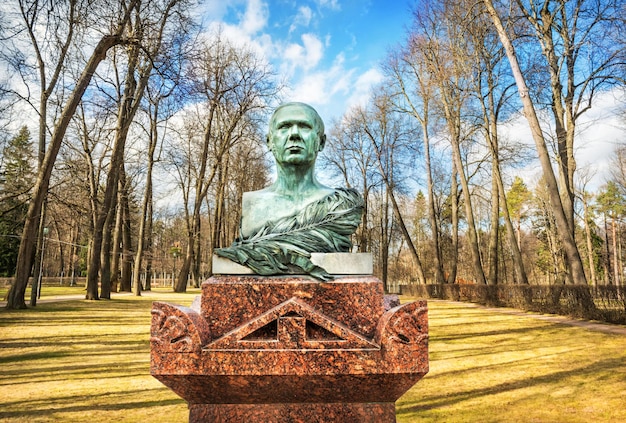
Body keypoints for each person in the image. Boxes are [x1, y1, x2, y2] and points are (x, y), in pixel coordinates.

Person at [216, 102, 363, 280]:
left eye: (304, 126)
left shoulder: (341, 205)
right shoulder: (252, 203)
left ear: (321, 142)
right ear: (269, 141)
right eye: (284, 127)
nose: (294, 134)